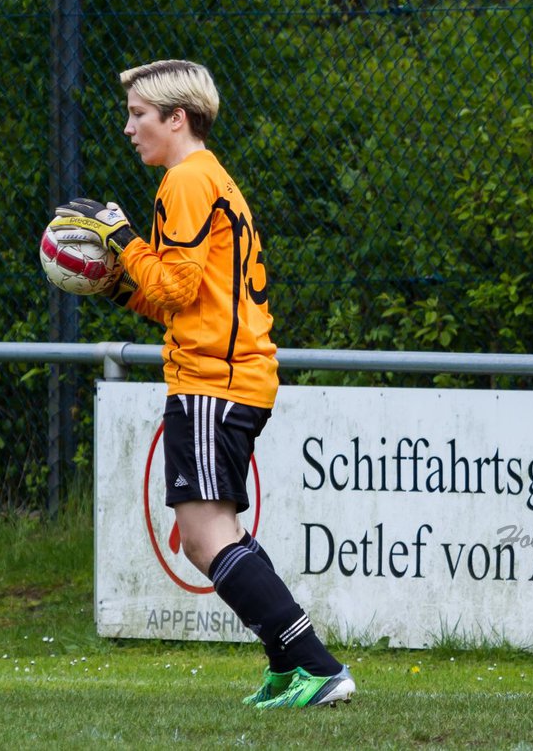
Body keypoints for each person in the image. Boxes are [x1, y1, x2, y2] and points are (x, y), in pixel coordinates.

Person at [49, 59, 356, 709]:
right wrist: (117, 283)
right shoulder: (203, 178)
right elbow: (175, 297)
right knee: (211, 536)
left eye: (139, 115)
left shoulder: (185, 181)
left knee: (204, 537)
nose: (129, 128)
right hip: (229, 374)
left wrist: (122, 239)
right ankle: (288, 664)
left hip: (213, 379)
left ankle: (316, 665)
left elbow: (177, 285)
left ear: (177, 118)